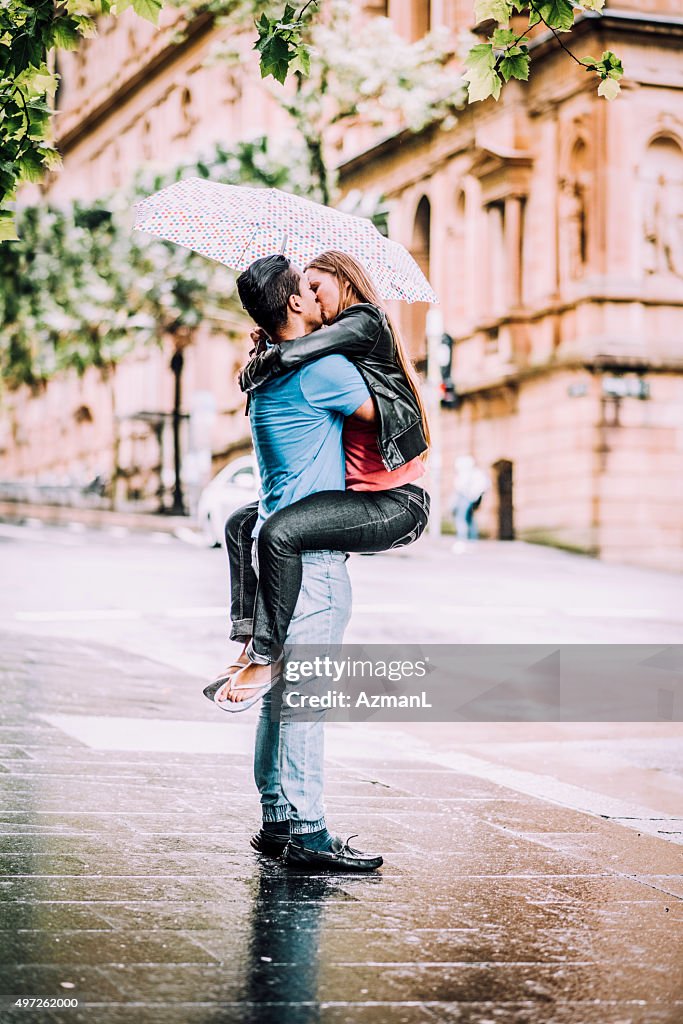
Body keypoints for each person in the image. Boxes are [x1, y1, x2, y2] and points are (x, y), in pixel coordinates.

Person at [217, 254, 383, 870]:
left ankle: (279, 816)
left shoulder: (262, 371)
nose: (319, 300)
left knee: (279, 695)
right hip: (310, 561)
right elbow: (385, 410)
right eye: (309, 293)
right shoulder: (325, 372)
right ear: (292, 306)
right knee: (304, 698)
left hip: (271, 547)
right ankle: (306, 828)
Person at [213, 250, 431, 705]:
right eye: (305, 289)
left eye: (317, 286)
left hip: (394, 498)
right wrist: (269, 348)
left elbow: (318, 356)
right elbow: (306, 348)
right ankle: (250, 638)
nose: (312, 295)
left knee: (278, 532)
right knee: (240, 524)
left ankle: (267, 655)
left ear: (343, 277)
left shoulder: (367, 320)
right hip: (357, 494)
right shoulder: (329, 347)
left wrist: (270, 358)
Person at [451, 454, 490, 541]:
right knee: (468, 518)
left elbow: (461, 486)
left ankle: (462, 538)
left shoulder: (473, 474)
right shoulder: (475, 473)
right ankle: (472, 538)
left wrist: (472, 496)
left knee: (461, 518)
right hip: (468, 497)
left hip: (467, 497)